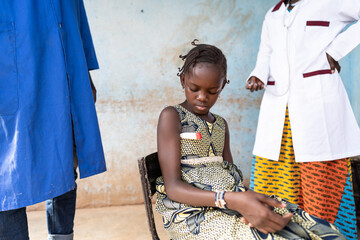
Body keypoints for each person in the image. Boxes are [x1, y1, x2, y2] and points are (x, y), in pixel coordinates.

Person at [155, 40, 346, 240]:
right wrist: (231, 200)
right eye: (195, 88)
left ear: (222, 86)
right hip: (192, 215)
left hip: (230, 202)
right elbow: (173, 187)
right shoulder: (172, 116)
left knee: (312, 227)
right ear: (183, 80)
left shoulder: (220, 124)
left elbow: (230, 175)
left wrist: (249, 199)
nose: (203, 97)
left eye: (212, 91)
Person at [246, 0, 360, 239]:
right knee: (275, 178)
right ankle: (284, 235)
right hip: (279, 112)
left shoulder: (329, 3)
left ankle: (327, 234)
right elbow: (266, 52)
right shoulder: (273, 14)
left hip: (317, 110)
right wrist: (257, 74)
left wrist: (336, 50)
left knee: (322, 179)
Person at [0, 1, 106, 240]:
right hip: (12, 79)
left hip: (62, 76)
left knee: (64, 164)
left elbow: (75, 16)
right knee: (8, 178)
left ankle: (61, 236)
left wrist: (85, 74)